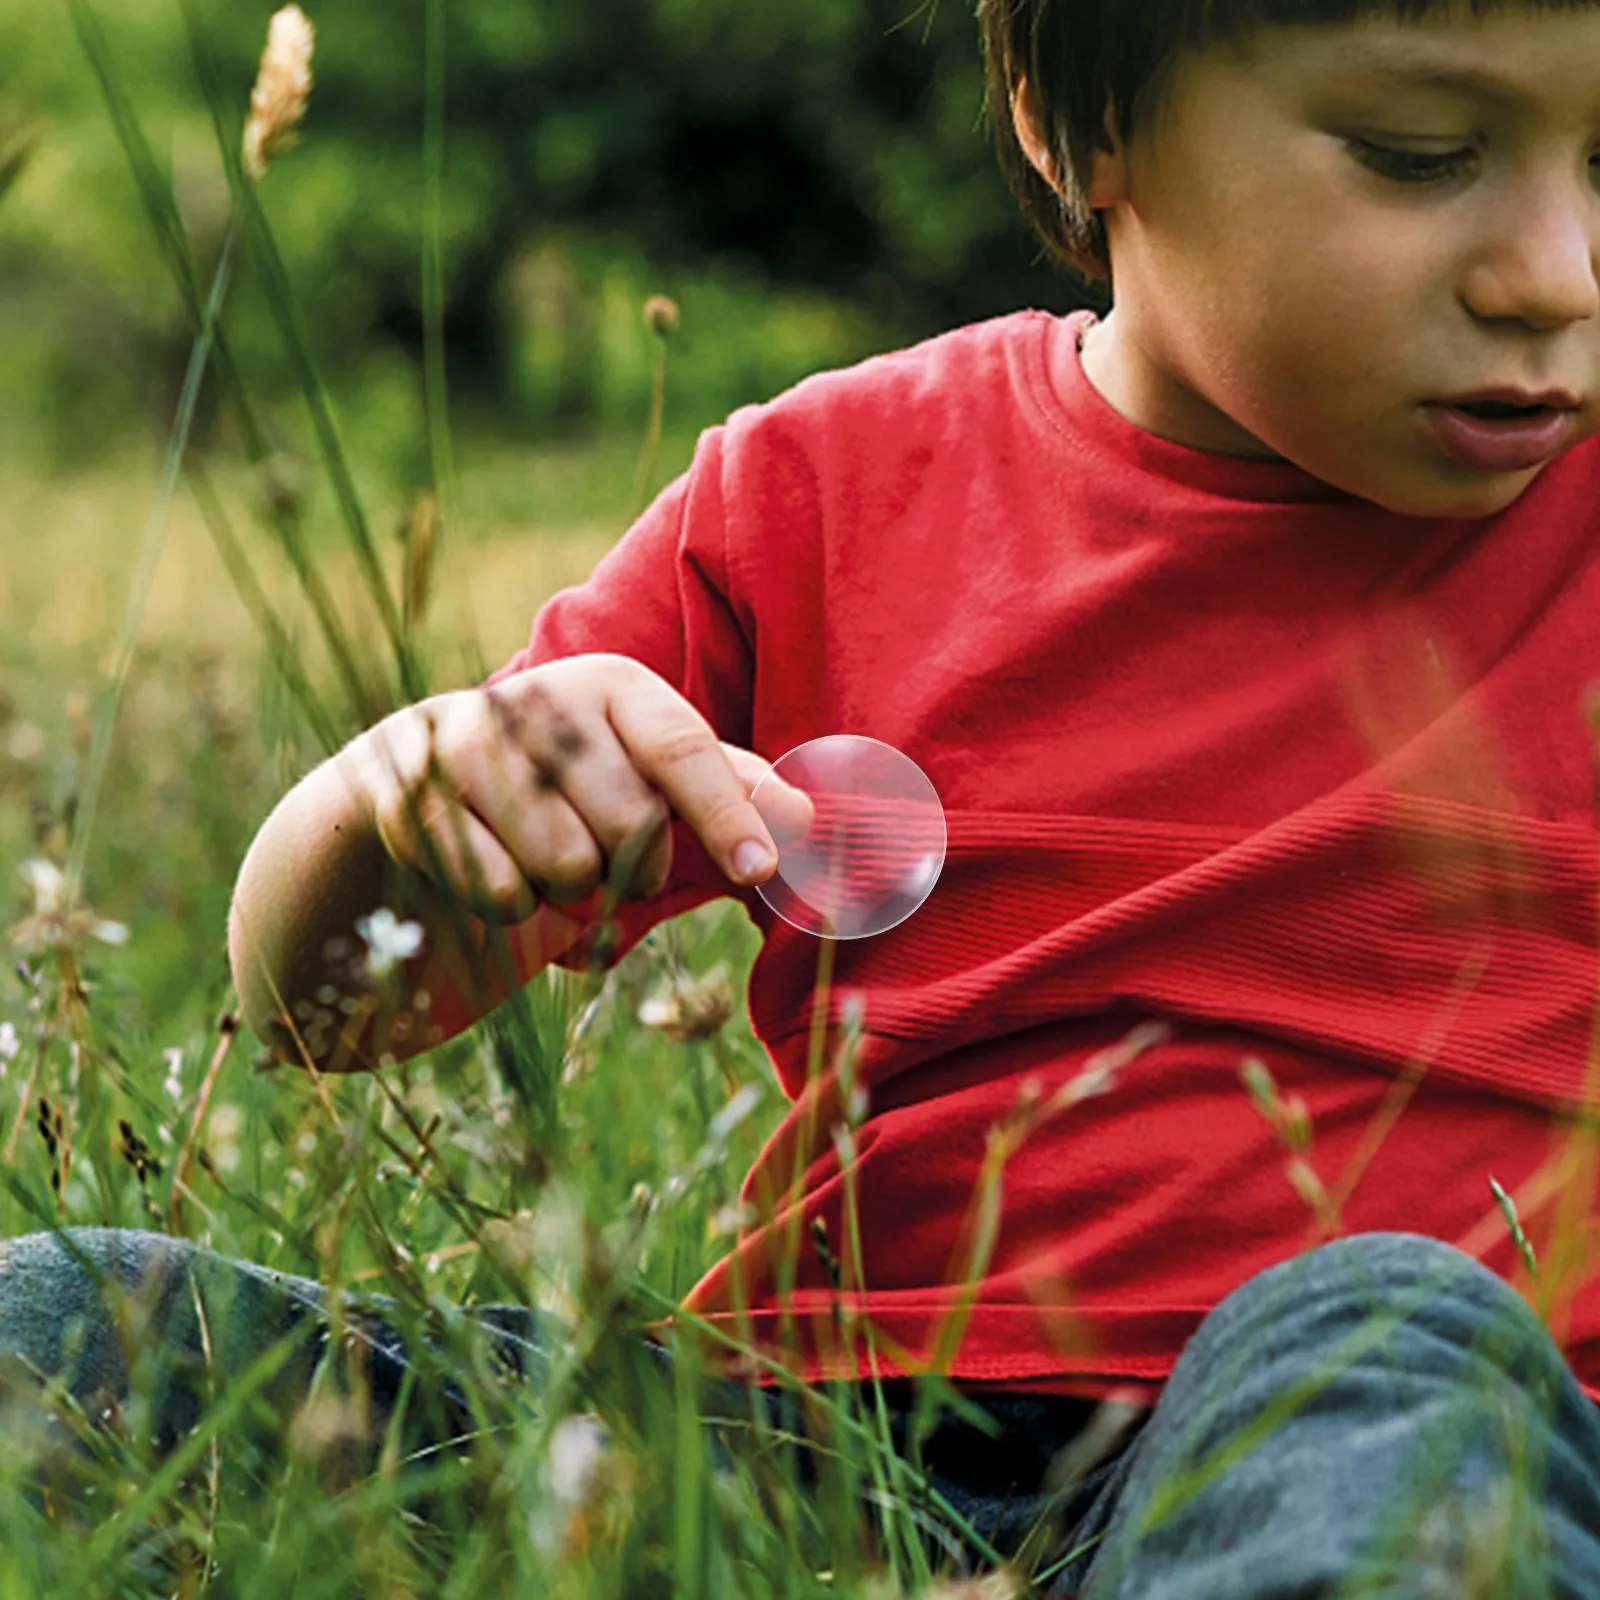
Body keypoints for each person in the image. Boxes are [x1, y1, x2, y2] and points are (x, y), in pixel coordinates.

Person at [11, 0, 1600, 1591]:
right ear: (1078, 126)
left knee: (1380, 1331)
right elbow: (314, 1019)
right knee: (69, 1318)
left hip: (1391, 1426)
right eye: (1420, 157)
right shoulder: (826, 491)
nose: (1556, 274)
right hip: (813, 1446)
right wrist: (406, 805)